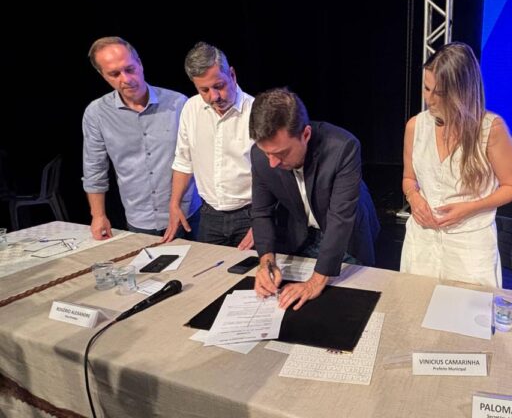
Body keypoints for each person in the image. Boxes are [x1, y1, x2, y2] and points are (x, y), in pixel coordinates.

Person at [399, 42, 512, 287]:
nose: (429, 99)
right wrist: (414, 198)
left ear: (461, 92)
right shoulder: (416, 126)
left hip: (469, 246)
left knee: (467, 308)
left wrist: (469, 208)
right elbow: (408, 178)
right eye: (426, 88)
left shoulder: (490, 128)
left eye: (439, 93)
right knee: (416, 304)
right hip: (422, 241)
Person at [249, 88, 380, 310]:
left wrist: (315, 282)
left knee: (346, 309)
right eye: (266, 153)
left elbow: (340, 218)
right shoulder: (260, 156)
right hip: (302, 236)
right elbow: (261, 212)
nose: (272, 162)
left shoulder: (343, 147)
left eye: (281, 153)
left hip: (346, 240)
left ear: (306, 135)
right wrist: (266, 263)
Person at [83, 37, 199, 240]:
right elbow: (94, 169)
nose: (126, 79)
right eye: (114, 74)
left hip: (188, 214)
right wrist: (98, 215)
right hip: (139, 219)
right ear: (102, 75)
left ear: (140, 63)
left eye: (130, 69)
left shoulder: (178, 103)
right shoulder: (97, 113)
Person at [163, 42, 254, 249]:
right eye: (204, 90)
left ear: (232, 75)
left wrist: (263, 220)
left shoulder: (255, 112)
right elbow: (184, 161)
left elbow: (273, 174)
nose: (214, 97)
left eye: (219, 86)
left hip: (250, 215)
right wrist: (175, 204)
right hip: (209, 215)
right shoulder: (191, 108)